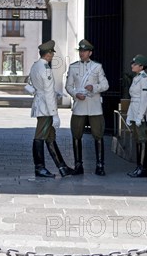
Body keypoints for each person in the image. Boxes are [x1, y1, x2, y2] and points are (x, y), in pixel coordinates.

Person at [29, 40, 73, 178]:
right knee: (40, 136)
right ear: (48, 54)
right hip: (46, 108)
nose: (53, 55)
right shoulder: (45, 68)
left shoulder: (35, 66)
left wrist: (54, 93)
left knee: (50, 137)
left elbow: (31, 84)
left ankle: (62, 167)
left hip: (41, 104)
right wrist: (55, 114)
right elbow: (47, 92)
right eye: (52, 53)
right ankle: (39, 168)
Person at [65, 39, 109, 176]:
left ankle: (100, 165)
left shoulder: (97, 67)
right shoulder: (73, 67)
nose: (82, 53)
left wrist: (94, 87)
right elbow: (68, 86)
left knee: (98, 135)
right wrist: (75, 94)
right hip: (80, 106)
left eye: (84, 51)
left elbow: (105, 85)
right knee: (76, 134)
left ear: (90, 52)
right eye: (80, 51)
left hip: (94, 106)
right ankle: (78, 165)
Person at [126, 54, 147, 178]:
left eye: (135, 64)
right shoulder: (136, 78)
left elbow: (144, 99)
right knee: (138, 141)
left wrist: (139, 116)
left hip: (141, 114)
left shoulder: (144, 79)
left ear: (141, 66)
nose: (132, 65)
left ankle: (143, 168)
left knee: (142, 141)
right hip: (135, 111)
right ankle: (138, 167)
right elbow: (134, 99)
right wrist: (130, 116)